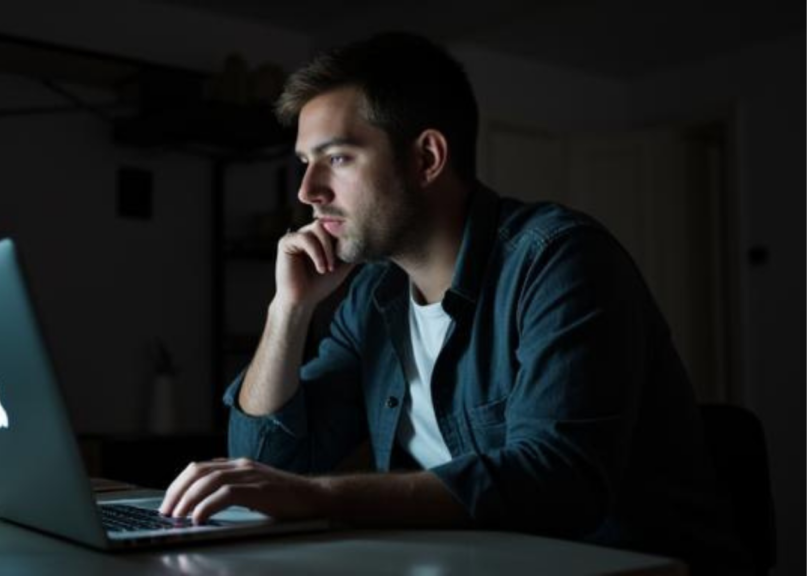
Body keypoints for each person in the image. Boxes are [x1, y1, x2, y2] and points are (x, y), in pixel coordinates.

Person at [158, 32, 749, 574]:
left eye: (336, 158)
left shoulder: (560, 260)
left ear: (427, 158)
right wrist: (287, 311)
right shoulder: (374, 293)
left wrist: (317, 497)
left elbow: (557, 483)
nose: (307, 191)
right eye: (305, 164)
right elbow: (265, 456)